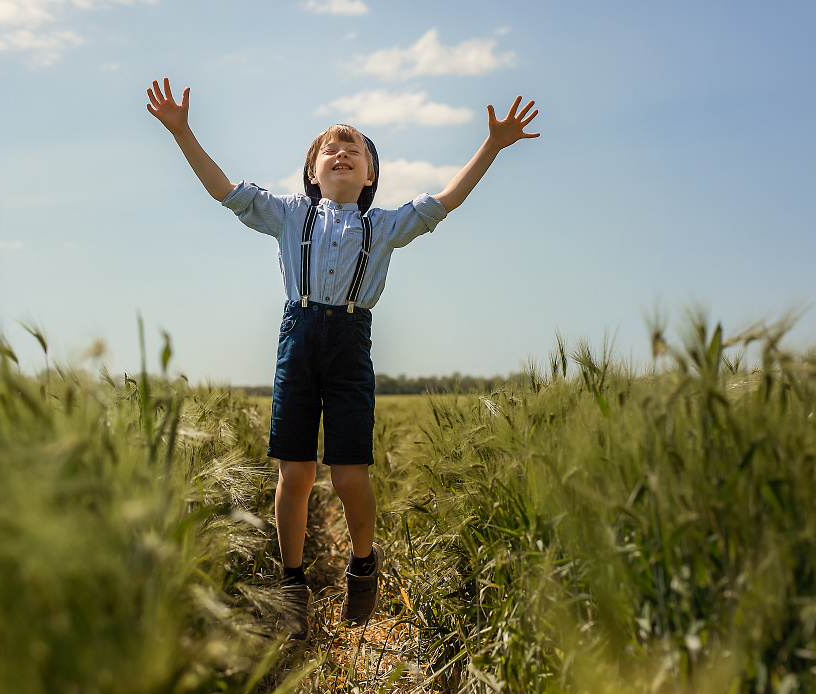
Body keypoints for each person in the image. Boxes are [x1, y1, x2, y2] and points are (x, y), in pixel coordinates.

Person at [146, 77, 538, 641]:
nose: (342, 153)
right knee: (295, 471)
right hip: (298, 339)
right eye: (330, 148)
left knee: (350, 471)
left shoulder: (383, 227)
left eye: (354, 149)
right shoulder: (285, 216)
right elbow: (223, 190)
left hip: (351, 344)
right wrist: (183, 132)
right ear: (312, 174)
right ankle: (291, 582)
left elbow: (445, 202)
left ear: (371, 175)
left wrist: (492, 148)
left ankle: (362, 560)